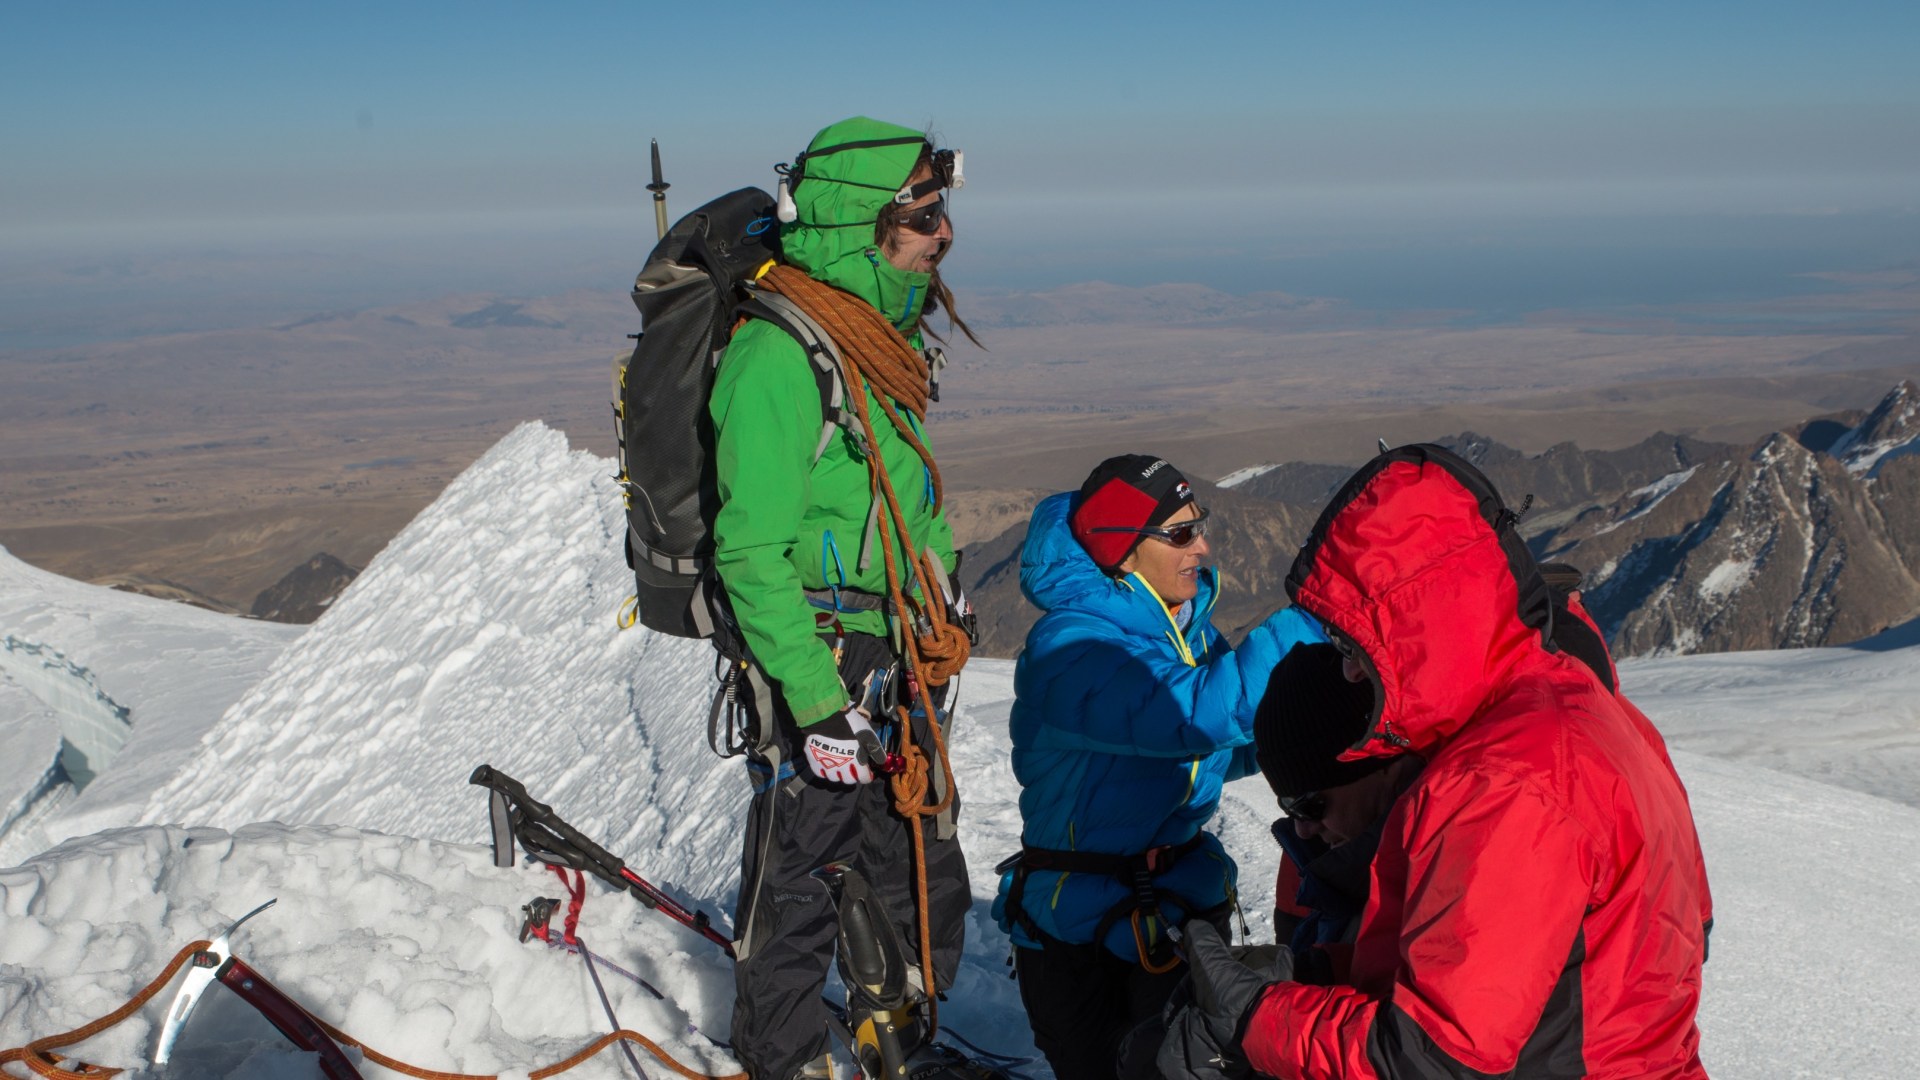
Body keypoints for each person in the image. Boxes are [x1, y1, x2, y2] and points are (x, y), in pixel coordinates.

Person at [1160, 443, 1714, 1080]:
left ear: (1418, 627)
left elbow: (1436, 1059)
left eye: (1357, 643)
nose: (1349, 669)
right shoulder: (1576, 704)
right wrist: (1305, 976)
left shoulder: (1503, 781)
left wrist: (1254, 1016)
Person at [710, 116, 977, 1080]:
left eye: (942, 212)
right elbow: (749, 553)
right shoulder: (780, 356)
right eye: (922, 217)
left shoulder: (870, 335)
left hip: (894, 644)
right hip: (822, 653)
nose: (941, 235)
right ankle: (778, 1059)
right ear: (860, 223)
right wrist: (816, 702)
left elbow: (907, 494)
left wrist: (940, 595)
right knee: (804, 871)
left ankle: (900, 1043)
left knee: (915, 860)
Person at [991, 454, 1325, 1080]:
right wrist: (1317, 615)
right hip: (1081, 931)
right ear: (1123, 549)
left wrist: (1306, 728)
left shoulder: (1184, 630)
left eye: (1199, 525)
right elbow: (1191, 717)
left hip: (1178, 909)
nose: (1202, 546)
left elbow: (1212, 749)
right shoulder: (1070, 645)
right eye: (1179, 533)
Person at [1251, 641, 1422, 987]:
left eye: (1311, 805)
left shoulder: (1439, 870)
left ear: (1383, 762)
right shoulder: (1344, 872)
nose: (1302, 830)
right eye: (1289, 808)